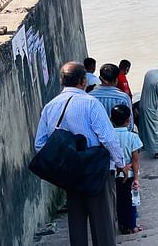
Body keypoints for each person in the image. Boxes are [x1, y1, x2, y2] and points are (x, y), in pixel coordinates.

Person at [34, 62, 125, 246]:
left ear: (62, 81)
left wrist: (64, 163)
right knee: (103, 226)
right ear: (83, 81)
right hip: (97, 171)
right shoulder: (91, 103)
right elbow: (108, 139)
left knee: (76, 225)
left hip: (70, 174)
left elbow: (40, 145)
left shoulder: (50, 107)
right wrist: (121, 162)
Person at [111, 104, 143, 235]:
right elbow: (135, 161)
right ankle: (131, 226)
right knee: (131, 201)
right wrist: (136, 178)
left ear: (111, 120)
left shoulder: (109, 136)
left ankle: (122, 225)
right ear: (128, 120)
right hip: (129, 175)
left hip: (114, 175)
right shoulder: (133, 137)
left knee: (119, 201)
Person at [91, 63, 134, 131]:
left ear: (100, 78)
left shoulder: (90, 97)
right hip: (118, 139)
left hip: (96, 139)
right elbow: (130, 124)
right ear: (116, 80)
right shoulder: (123, 98)